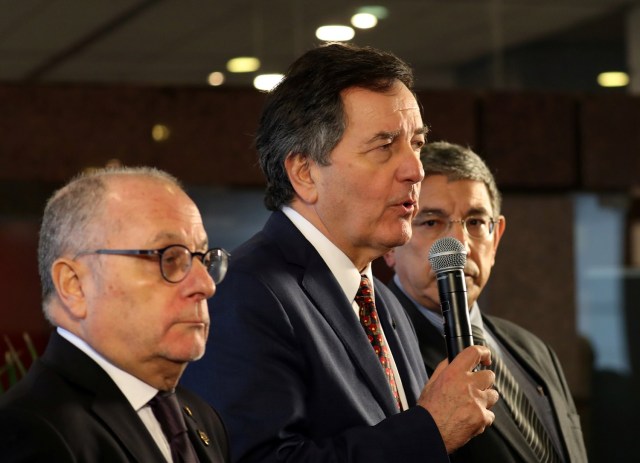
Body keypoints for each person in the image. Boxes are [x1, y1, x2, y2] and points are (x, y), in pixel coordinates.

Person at [181, 42, 498, 463]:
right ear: (304, 172)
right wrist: (430, 429)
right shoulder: (245, 293)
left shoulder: (382, 300)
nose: (415, 169)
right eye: (384, 146)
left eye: (416, 143)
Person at [0, 167, 231, 462]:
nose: (205, 285)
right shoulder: (29, 432)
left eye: (203, 258)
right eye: (169, 257)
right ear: (74, 285)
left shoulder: (202, 418)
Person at [383, 141, 588, 462]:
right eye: (431, 222)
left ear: (497, 238)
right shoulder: (378, 350)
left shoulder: (533, 349)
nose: (460, 244)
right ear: (391, 244)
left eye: (476, 222)